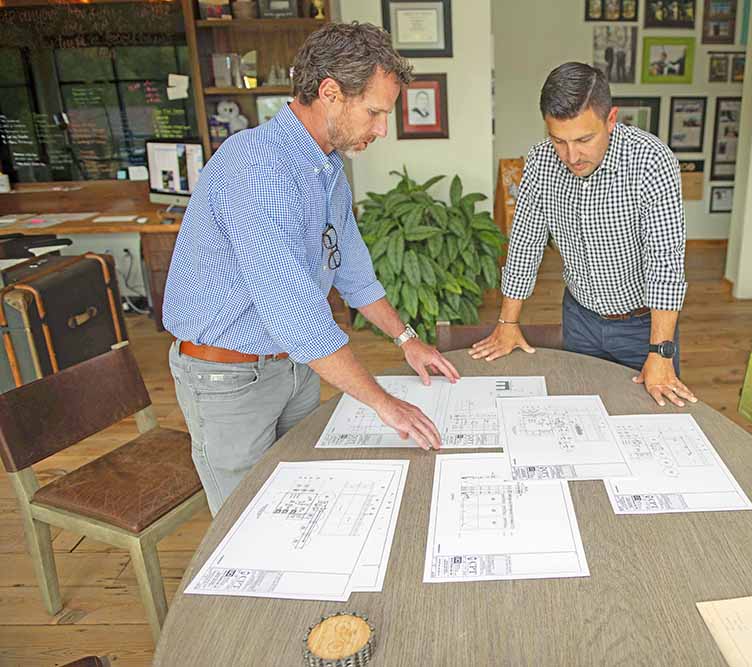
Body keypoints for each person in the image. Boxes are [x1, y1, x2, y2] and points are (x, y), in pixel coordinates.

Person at [162, 23, 459, 515]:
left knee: (299, 503)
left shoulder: (327, 168)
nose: (381, 129)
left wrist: (406, 338)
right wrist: (383, 402)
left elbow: (353, 270)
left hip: (295, 368)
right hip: (228, 379)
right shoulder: (256, 167)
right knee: (248, 520)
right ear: (330, 93)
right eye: (375, 112)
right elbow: (296, 312)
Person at [471, 62, 696, 409]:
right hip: (579, 318)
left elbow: (665, 263)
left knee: (647, 416)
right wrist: (508, 322)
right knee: (582, 412)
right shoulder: (541, 161)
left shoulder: (651, 161)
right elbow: (525, 244)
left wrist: (660, 351)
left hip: (643, 327)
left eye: (584, 140)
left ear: (611, 119)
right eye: (559, 140)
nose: (571, 156)